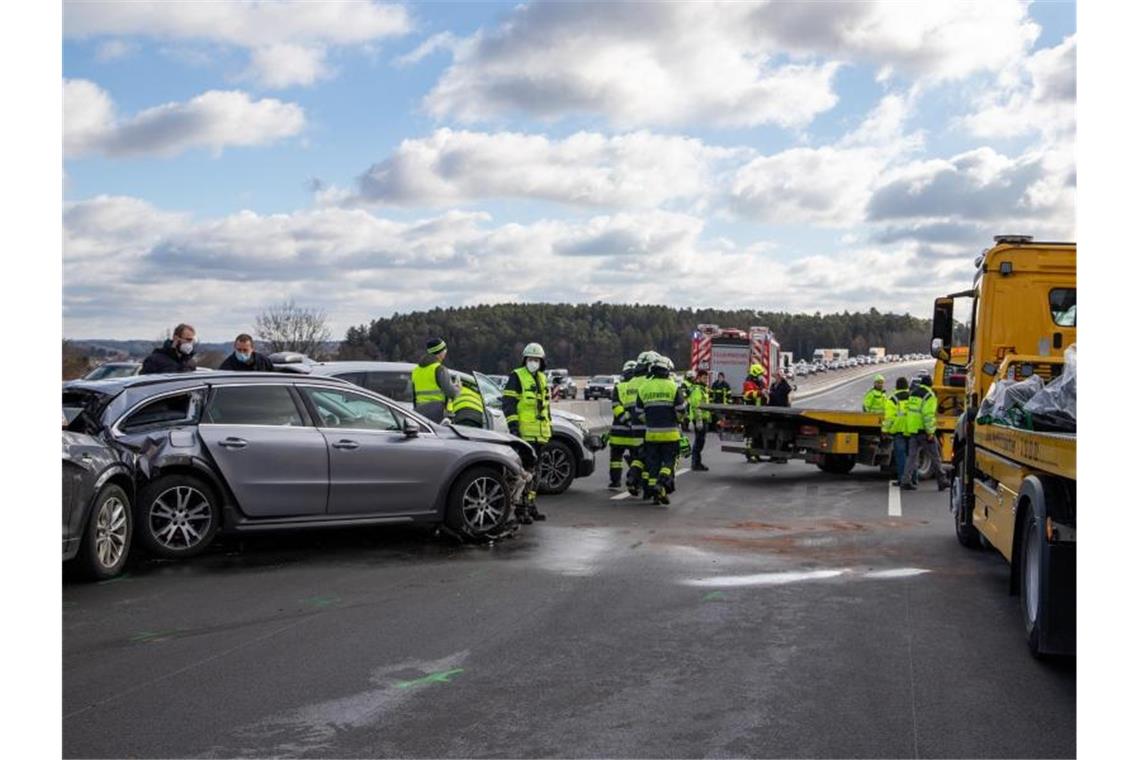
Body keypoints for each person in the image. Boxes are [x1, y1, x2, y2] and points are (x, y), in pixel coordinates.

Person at [503, 343, 553, 523]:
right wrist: (514, 428)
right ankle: (520, 509)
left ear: (542, 361)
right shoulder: (517, 376)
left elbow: (545, 407)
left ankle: (531, 505)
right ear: (525, 360)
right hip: (525, 434)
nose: (533, 362)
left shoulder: (542, 378)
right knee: (526, 473)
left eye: (537, 360)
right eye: (531, 359)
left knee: (537, 473)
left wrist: (550, 426)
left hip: (541, 434)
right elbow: (508, 404)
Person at [636, 354, 686, 505]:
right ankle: (661, 484)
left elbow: (638, 412)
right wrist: (678, 421)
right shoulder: (673, 386)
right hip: (670, 435)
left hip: (651, 435)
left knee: (654, 466)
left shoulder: (644, 387)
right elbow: (681, 410)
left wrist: (650, 422)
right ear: (666, 370)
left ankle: (656, 494)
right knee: (669, 462)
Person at [901, 371, 950, 491]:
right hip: (924, 431)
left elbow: (909, 413)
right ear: (930, 384)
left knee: (911, 458)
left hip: (913, 431)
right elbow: (927, 415)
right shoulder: (929, 396)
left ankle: (905, 481)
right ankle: (942, 481)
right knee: (935, 457)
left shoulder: (913, 394)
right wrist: (930, 432)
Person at [625, 350, 657, 496]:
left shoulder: (630, 382)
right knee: (649, 458)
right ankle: (647, 488)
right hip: (647, 425)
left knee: (638, 455)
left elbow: (626, 406)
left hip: (634, 426)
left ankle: (633, 480)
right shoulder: (648, 382)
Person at [608, 360, 643, 489]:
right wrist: (632, 422)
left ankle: (615, 481)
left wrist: (625, 419)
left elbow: (616, 407)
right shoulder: (639, 386)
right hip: (634, 432)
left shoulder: (619, 387)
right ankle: (634, 480)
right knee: (636, 458)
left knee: (615, 460)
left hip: (618, 431)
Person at [411, 337, 461, 423]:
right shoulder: (439, 369)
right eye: (444, 350)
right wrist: (458, 389)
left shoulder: (416, 370)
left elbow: (414, 396)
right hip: (436, 412)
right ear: (439, 352)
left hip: (419, 412)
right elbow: (450, 392)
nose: (446, 352)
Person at [882, 377, 910, 486]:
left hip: (899, 431)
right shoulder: (912, 397)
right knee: (911, 457)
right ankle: (912, 479)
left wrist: (885, 430)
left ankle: (902, 479)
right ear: (907, 386)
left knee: (901, 457)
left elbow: (889, 418)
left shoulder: (893, 399)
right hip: (911, 430)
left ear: (896, 386)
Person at [688, 368, 711, 471]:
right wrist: (699, 420)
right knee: (699, 441)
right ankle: (695, 463)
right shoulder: (697, 389)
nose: (706, 380)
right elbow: (696, 405)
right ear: (699, 377)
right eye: (704, 378)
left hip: (703, 418)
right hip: (700, 418)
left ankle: (697, 462)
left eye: (707, 378)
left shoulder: (703, 388)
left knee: (700, 441)